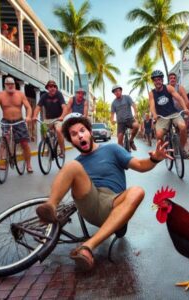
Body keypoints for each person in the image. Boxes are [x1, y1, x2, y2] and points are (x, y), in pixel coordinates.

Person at [35, 112, 170, 271]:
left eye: (82, 130)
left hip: (114, 203)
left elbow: (140, 165)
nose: (79, 136)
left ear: (90, 132)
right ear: (71, 140)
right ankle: (50, 207)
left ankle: (87, 247)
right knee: (72, 166)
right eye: (73, 134)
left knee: (137, 191)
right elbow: (64, 182)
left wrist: (154, 159)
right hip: (89, 201)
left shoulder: (112, 149)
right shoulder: (77, 164)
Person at [0, 77, 33, 173]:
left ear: (14, 84)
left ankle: (29, 164)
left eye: (12, 84)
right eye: (8, 84)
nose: (10, 86)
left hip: (19, 121)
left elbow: (28, 107)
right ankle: (3, 162)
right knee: (5, 140)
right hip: (6, 121)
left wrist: (29, 116)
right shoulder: (0, 95)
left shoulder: (20, 94)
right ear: (5, 85)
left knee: (24, 143)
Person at [149, 70, 189, 159]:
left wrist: (185, 108)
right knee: (159, 134)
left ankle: (182, 149)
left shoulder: (168, 88)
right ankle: (163, 151)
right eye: (156, 80)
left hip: (174, 113)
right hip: (162, 117)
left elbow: (179, 98)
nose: (158, 81)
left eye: (160, 79)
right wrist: (154, 115)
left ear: (162, 80)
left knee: (183, 127)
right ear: (153, 82)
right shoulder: (152, 93)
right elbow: (152, 106)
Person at [32, 80, 67, 157]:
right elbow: (38, 107)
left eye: (54, 86)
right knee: (43, 130)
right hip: (48, 119)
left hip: (58, 118)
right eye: (50, 86)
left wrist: (62, 116)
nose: (52, 88)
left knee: (58, 130)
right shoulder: (44, 96)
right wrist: (34, 116)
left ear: (56, 88)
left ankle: (62, 151)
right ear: (47, 88)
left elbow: (64, 107)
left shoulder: (59, 94)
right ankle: (49, 147)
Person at [110, 84, 139, 150]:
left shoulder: (127, 97)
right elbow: (112, 114)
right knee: (119, 139)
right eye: (115, 91)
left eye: (118, 90)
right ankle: (122, 153)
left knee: (136, 126)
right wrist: (112, 120)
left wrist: (136, 113)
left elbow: (133, 105)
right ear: (114, 93)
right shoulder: (113, 103)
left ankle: (131, 140)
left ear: (121, 91)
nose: (117, 92)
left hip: (129, 119)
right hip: (120, 122)